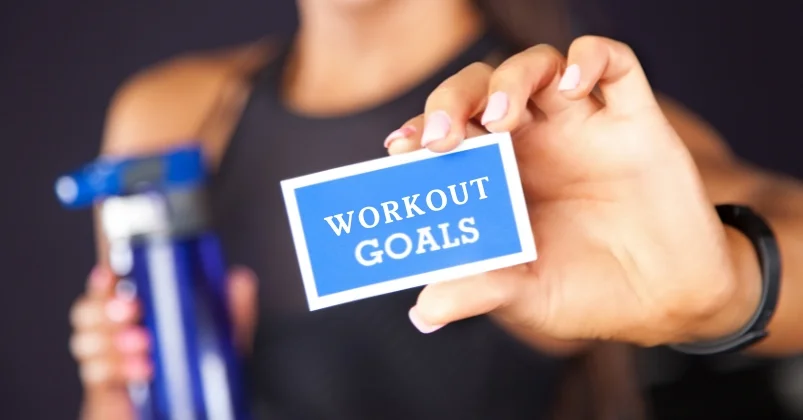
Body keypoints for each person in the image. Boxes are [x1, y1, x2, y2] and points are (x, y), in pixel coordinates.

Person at [67, 0, 803, 419]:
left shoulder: (563, 125)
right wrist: (117, 387)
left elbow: (776, 224)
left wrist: (726, 287)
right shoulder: (168, 113)